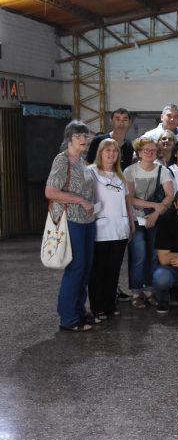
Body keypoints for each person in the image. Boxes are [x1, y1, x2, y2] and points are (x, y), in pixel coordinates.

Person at [45, 120, 97, 332]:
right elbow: (50, 192)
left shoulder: (83, 160)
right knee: (75, 267)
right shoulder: (62, 160)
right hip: (71, 220)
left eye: (85, 136)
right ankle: (67, 318)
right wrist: (81, 201)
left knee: (85, 268)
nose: (83, 139)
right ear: (68, 140)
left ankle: (79, 311)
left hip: (87, 220)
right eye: (78, 136)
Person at [124, 137, 174, 308]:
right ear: (139, 152)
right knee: (139, 255)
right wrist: (154, 205)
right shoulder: (130, 171)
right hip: (136, 219)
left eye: (153, 150)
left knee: (153, 256)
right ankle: (136, 292)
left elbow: (169, 195)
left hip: (155, 219)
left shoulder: (163, 171)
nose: (150, 153)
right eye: (146, 150)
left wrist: (155, 215)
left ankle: (149, 290)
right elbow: (130, 199)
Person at [88, 138, 134, 320]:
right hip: (100, 230)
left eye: (115, 151)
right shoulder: (91, 172)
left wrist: (130, 221)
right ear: (100, 153)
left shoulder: (120, 176)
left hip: (119, 229)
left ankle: (110, 304)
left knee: (114, 270)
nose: (111, 154)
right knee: (98, 270)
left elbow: (127, 202)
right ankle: (97, 306)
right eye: (107, 150)